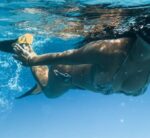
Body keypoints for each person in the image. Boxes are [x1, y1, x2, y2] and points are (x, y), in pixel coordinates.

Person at [0, 32, 150, 98]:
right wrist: (32, 59)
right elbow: (65, 57)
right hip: (64, 74)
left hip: (83, 82)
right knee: (50, 93)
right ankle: (24, 44)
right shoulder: (110, 50)